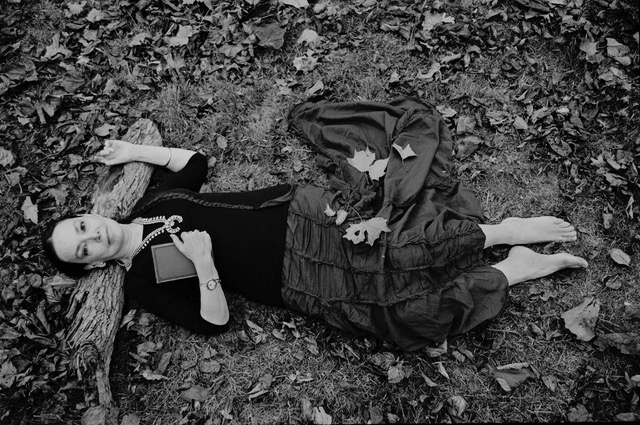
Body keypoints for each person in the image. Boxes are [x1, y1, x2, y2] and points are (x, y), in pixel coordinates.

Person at [42, 98, 588, 351]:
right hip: (297, 283)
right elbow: (213, 325)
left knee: (399, 249)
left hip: (299, 216)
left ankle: (498, 233)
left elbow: (194, 163)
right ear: (93, 267)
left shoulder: (147, 208)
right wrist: (206, 267)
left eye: (84, 227)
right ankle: (513, 271)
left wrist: (133, 150)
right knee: (395, 316)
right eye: (83, 250)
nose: (93, 237)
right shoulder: (139, 284)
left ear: (96, 215)